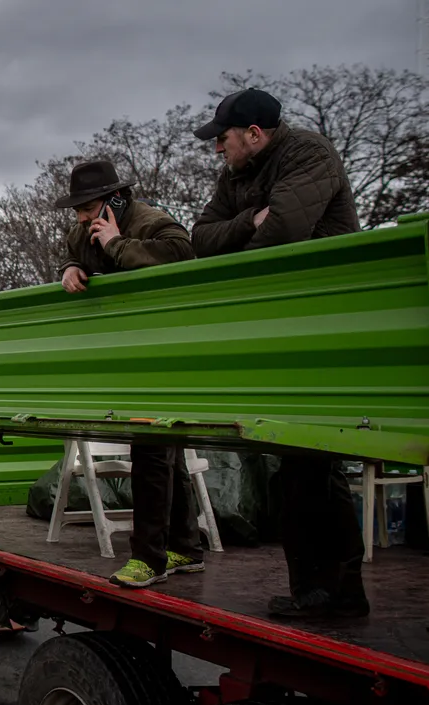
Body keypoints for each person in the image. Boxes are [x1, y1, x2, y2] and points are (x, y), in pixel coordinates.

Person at [190, 87, 367, 618]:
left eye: (222, 138)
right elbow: (202, 238)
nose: (216, 149)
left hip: (326, 318)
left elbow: (285, 231)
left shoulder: (308, 152)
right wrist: (250, 220)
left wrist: (247, 242)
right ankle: (331, 591)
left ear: (253, 133)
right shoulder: (237, 176)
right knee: (302, 463)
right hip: (286, 325)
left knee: (310, 463)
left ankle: (325, 592)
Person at [54, 160, 203, 588]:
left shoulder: (153, 222)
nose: (81, 218)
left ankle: (149, 559)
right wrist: (69, 269)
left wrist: (117, 243)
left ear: (115, 200)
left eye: (88, 208)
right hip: (132, 352)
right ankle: (186, 548)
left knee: (151, 449)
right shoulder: (81, 232)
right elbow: (74, 256)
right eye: (77, 210)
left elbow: (183, 256)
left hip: (168, 347)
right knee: (167, 448)